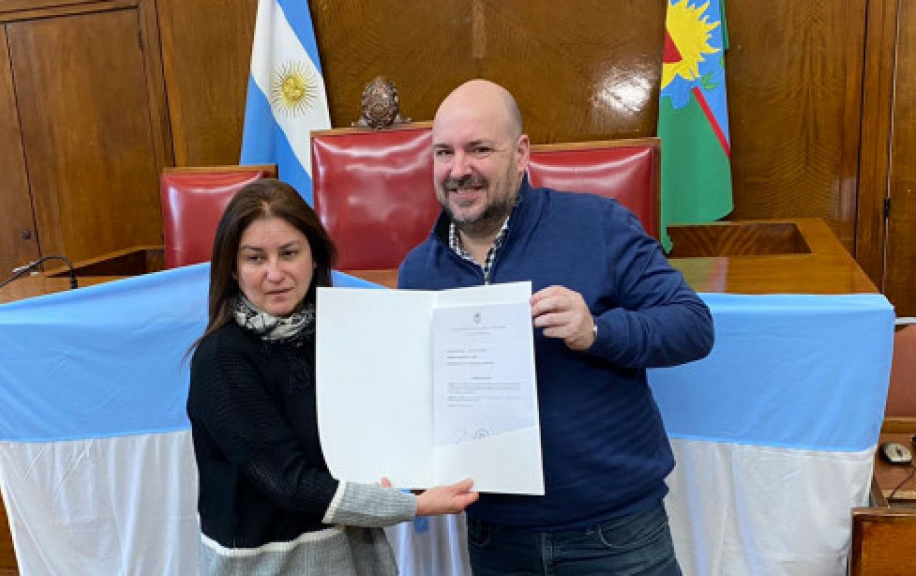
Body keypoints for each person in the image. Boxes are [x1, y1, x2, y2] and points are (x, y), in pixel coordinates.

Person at [397, 80, 715, 575]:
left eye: (479, 149)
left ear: (522, 153)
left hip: (616, 535)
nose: (459, 169)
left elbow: (693, 325)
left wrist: (598, 332)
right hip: (495, 538)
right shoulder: (418, 272)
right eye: (444, 152)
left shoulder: (598, 225)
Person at [187, 179, 479, 576]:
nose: (275, 273)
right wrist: (414, 504)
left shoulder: (339, 336)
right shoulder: (221, 359)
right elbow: (288, 483)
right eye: (255, 258)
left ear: (314, 257)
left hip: (353, 548)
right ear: (233, 270)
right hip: (270, 564)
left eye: (289, 253)